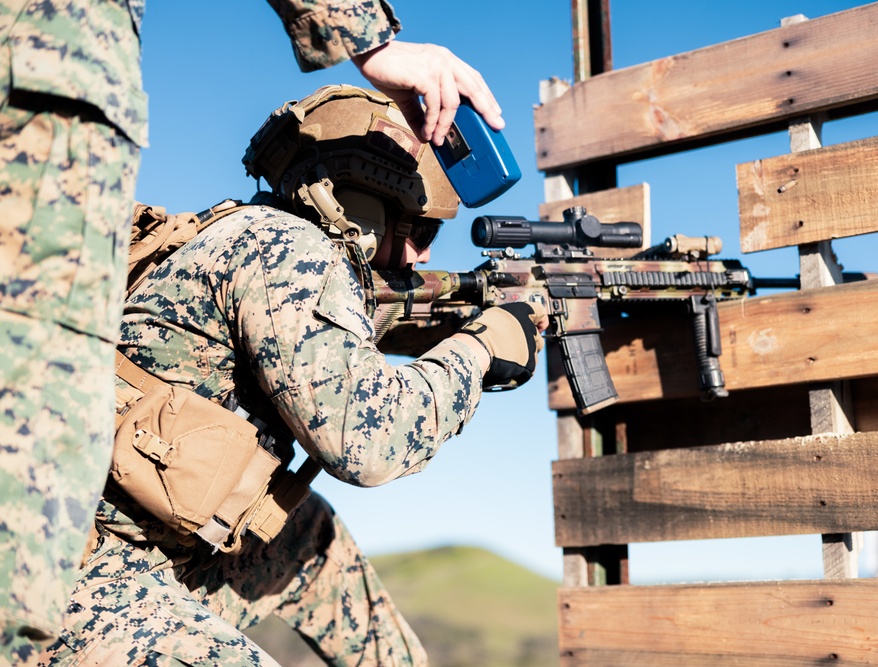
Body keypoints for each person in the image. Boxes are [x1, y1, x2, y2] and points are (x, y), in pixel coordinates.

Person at [0, 0, 504, 657]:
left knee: (310, 540)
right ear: (365, 203)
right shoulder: (291, 251)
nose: (424, 257)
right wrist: (484, 349)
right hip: (87, 573)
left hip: (153, 546)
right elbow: (369, 440)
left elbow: (370, 325)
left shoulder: (246, 230)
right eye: (424, 227)